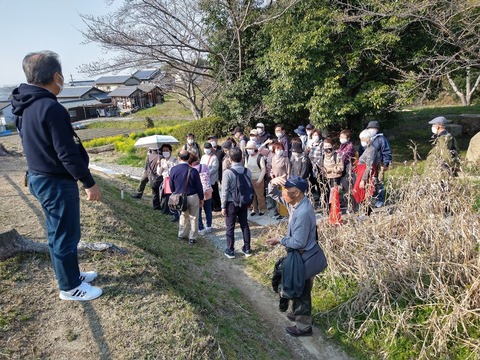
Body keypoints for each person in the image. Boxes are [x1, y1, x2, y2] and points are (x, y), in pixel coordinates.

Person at [11, 50, 102, 301]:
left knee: (57, 233)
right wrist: (88, 183)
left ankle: (71, 275)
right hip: (56, 181)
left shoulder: (24, 104)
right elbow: (67, 153)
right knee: (66, 234)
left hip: (39, 176)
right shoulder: (50, 107)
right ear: (56, 76)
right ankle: (69, 287)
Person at [266, 176, 322, 337]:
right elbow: (273, 194)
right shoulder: (295, 204)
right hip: (299, 255)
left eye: (285, 192)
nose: (282, 194)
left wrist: (279, 240)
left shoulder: (303, 212)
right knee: (298, 286)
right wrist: (272, 183)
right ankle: (298, 313)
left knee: (302, 289)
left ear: (296, 192)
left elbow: (298, 241)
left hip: (303, 256)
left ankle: (304, 326)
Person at [221, 147, 253, 259]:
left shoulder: (227, 173)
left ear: (230, 158)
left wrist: (223, 206)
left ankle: (230, 250)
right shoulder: (247, 171)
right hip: (244, 202)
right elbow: (249, 187)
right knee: (245, 225)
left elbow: (224, 191)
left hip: (231, 203)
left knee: (230, 227)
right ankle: (247, 248)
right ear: (242, 158)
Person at [169, 150, 204, 244]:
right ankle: (192, 238)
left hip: (179, 196)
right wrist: (201, 198)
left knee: (183, 215)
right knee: (194, 217)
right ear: (188, 158)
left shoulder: (173, 170)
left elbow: (171, 186)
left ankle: (181, 234)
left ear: (179, 158)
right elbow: (199, 186)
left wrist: (175, 194)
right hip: (193, 196)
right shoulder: (193, 171)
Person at [361, 121, 392, 208]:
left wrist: (386, 163)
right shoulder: (366, 138)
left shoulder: (381, 139)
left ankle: (380, 199)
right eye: (370, 128)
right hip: (368, 164)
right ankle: (371, 198)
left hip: (379, 164)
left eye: (374, 128)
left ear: (377, 130)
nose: (372, 130)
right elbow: (362, 151)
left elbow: (387, 151)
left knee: (379, 182)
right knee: (370, 181)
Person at [353, 129, 378, 216]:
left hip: (364, 174)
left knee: (363, 193)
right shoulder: (368, 148)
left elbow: (369, 165)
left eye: (363, 139)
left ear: (369, 139)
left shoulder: (371, 150)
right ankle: (367, 212)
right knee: (362, 193)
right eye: (361, 139)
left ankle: (367, 213)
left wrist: (363, 180)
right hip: (361, 173)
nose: (362, 141)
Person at [199, 142, 219, 233]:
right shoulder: (203, 157)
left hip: (211, 179)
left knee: (213, 195)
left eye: (208, 148)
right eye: (205, 148)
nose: (206, 149)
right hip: (202, 181)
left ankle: (214, 207)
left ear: (211, 148)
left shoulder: (214, 157)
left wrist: (207, 173)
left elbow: (215, 168)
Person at [245, 140, 267, 216]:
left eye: (250, 148)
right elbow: (246, 168)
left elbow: (263, 169)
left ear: (255, 148)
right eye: (248, 148)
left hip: (258, 178)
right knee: (252, 196)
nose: (249, 150)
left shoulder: (260, 157)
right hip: (250, 179)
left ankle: (262, 209)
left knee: (260, 196)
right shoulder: (247, 157)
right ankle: (254, 209)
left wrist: (259, 180)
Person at [157, 144, 179, 221]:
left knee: (172, 197)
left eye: (167, 150)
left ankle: (175, 213)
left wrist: (169, 167)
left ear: (170, 151)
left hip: (172, 181)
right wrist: (160, 166)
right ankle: (165, 210)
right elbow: (159, 173)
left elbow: (177, 172)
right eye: (163, 151)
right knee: (164, 196)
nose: (165, 152)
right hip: (165, 180)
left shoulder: (175, 161)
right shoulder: (162, 161)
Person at [337, 130, 356, 209]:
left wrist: (337, 158)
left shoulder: (350, 146)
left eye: (344, 137)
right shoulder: (342, 145)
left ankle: (350, 204)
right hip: (343, 168)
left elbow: (343, 157)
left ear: (348, 138)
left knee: (348, 186)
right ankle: (345, 202)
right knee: (344, 186)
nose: (342, 139)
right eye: (341, 137)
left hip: (347, 168)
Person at [207, 135, 224, 211]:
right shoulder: (209, 151)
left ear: (216, 140)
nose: (212, 142)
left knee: (223, 189)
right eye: (210, 141)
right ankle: (214, 205)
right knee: (214, 190)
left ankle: (222, 205)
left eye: (213, 140)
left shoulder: (221, 149)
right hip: (212, 174)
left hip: (221, 171)